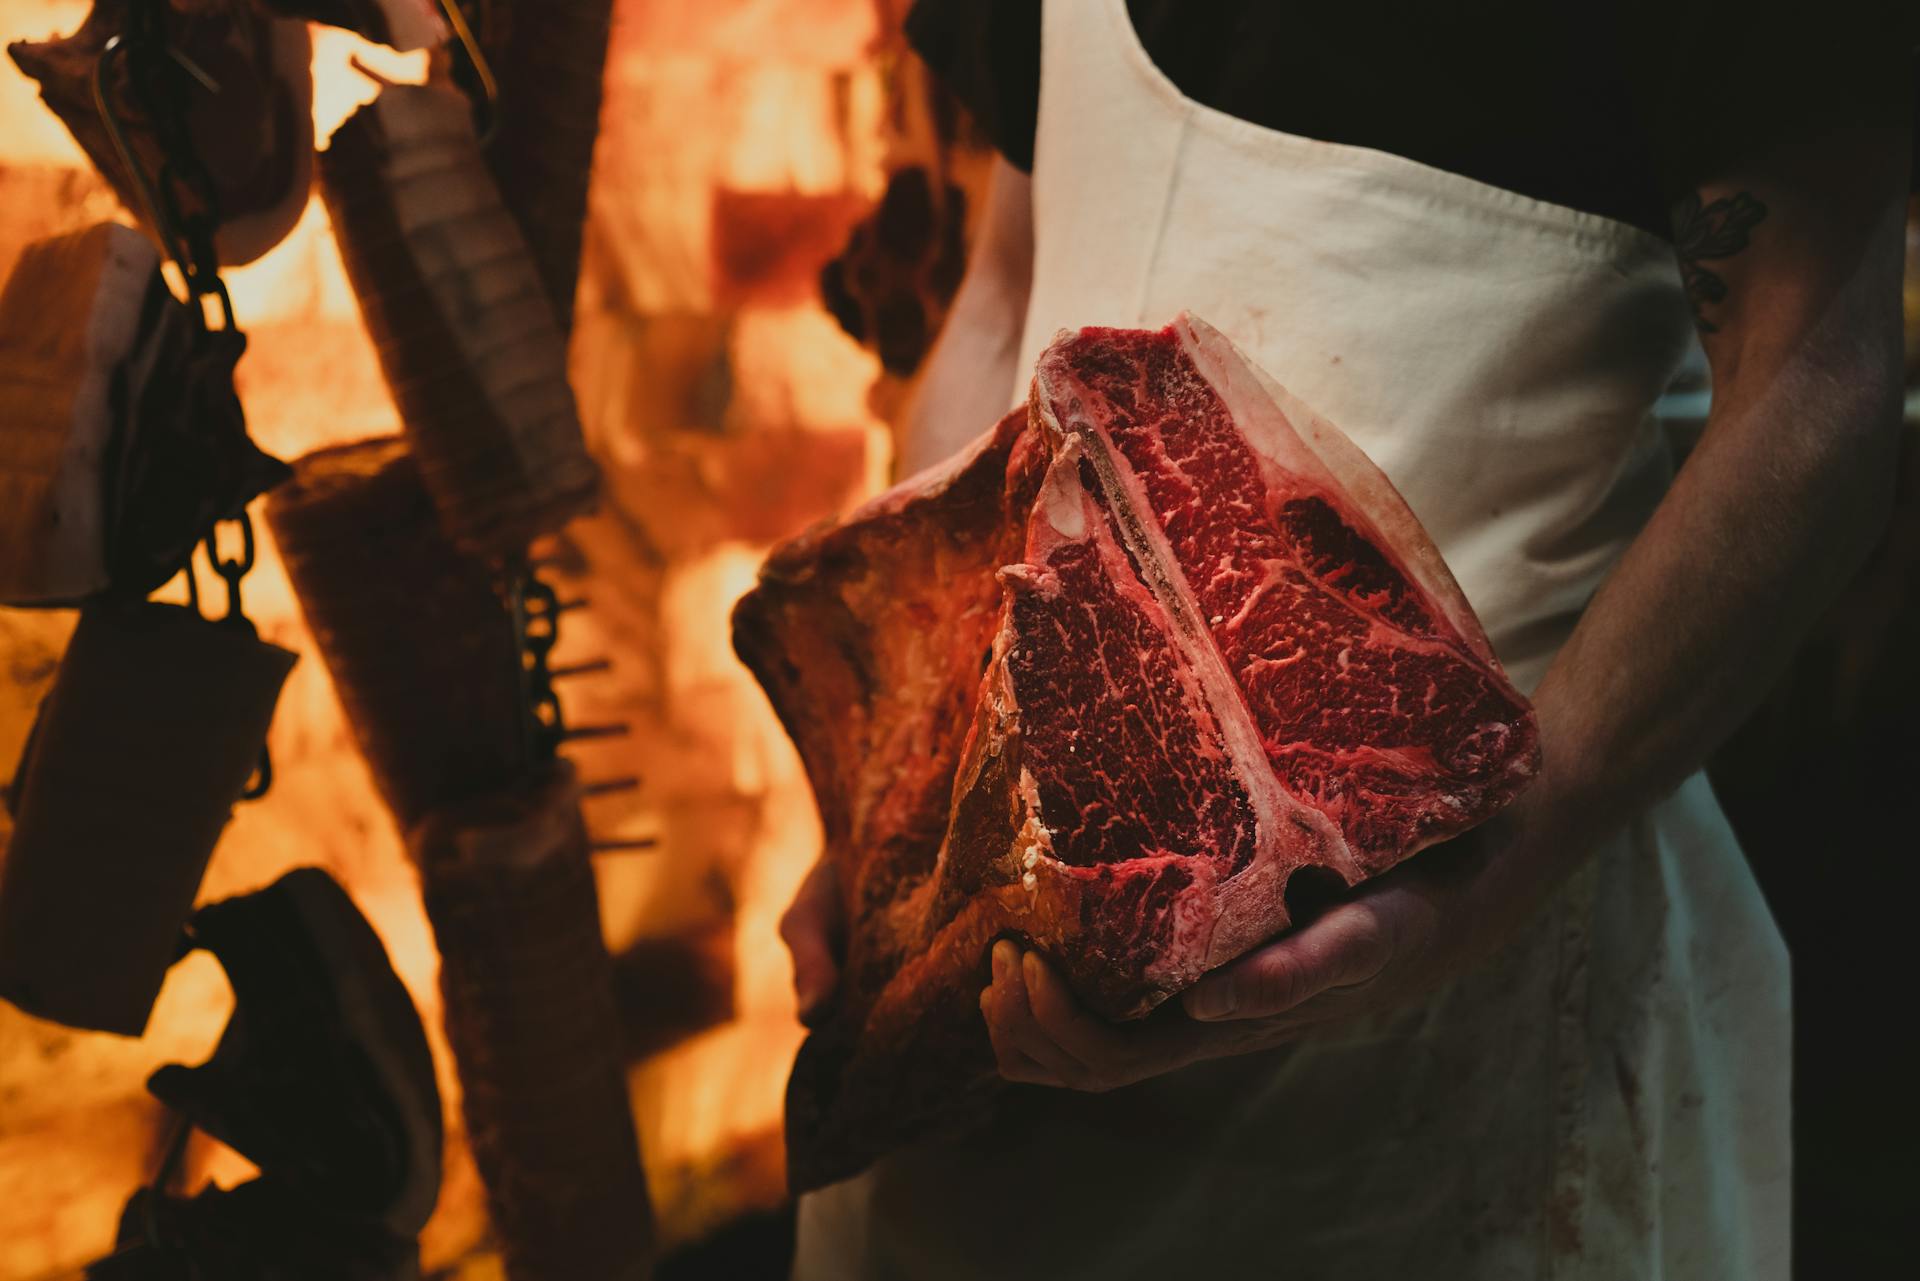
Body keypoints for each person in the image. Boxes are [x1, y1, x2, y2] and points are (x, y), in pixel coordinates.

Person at [781, 3, 1915, 1276]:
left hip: (1457, 998)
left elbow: (1815, 384)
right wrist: (890, 791)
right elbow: (1001, 286)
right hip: (1011, 1034)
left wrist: (1479, 892)